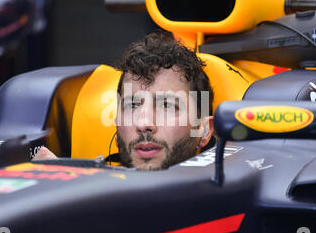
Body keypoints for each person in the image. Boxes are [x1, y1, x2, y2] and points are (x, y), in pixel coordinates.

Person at [34, 31, 215, 170]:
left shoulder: (230, 199)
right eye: (133, 105)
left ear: (204, 129)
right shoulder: (72, 183)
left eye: (167, 105)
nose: (144, 123)